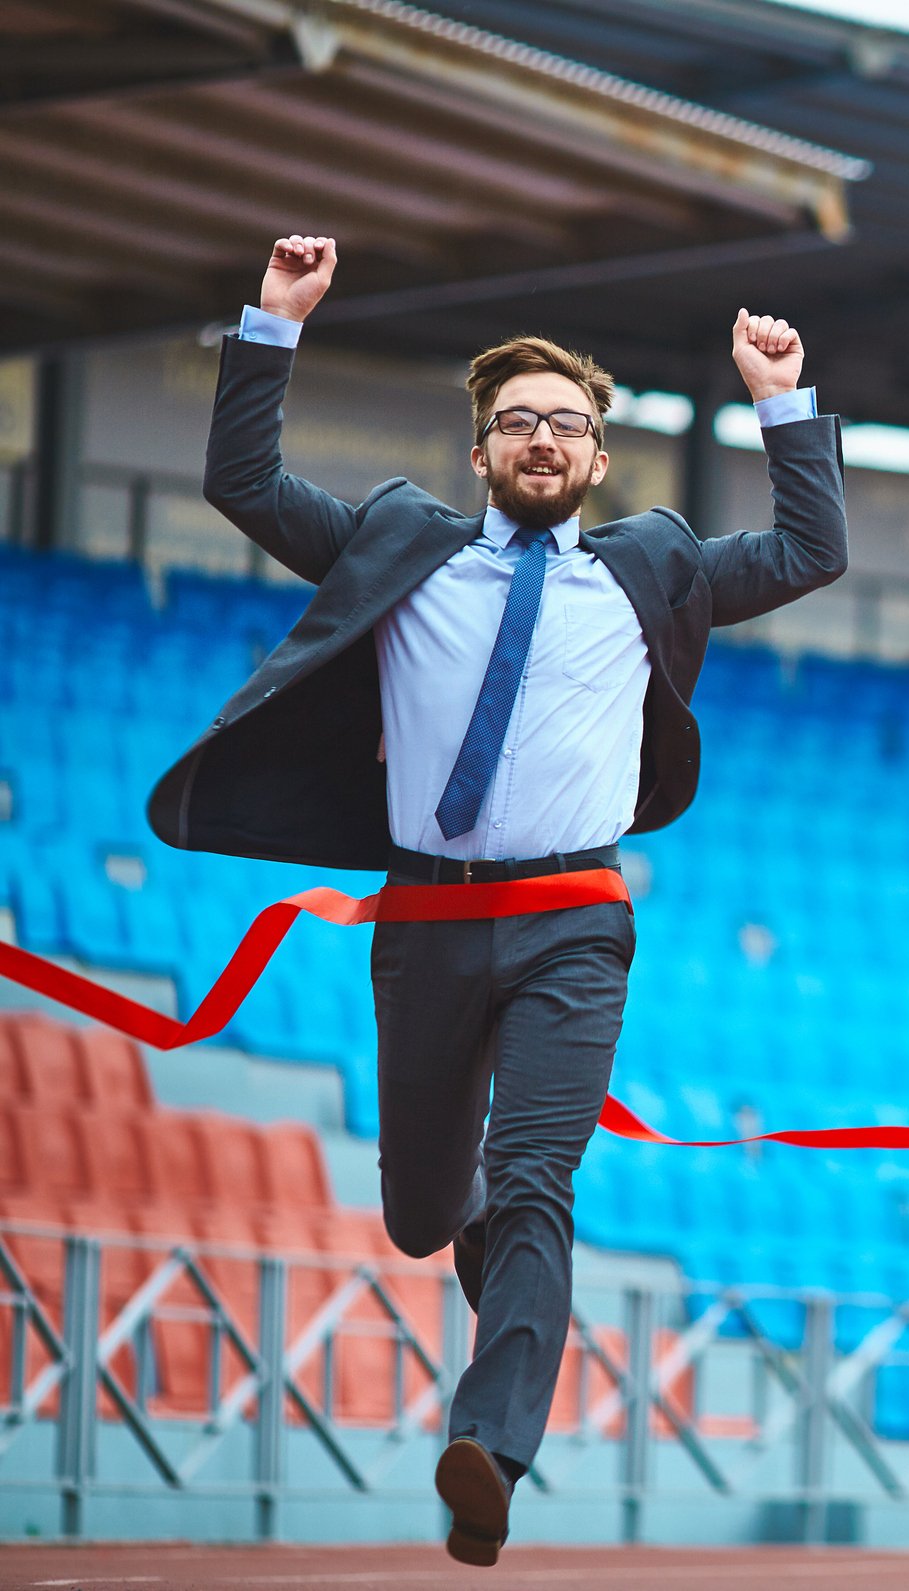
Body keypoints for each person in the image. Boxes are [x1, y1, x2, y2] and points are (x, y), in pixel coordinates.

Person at [147, 235, 846, 1566]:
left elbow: (812, 547)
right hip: (422, 921)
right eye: (516, 422)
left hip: (572, 924)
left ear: (596, 459)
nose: (541, 440)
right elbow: (239, 477)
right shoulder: (394, 545)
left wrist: (779, 401)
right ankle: (464, 1257)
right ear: (479, 453)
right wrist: (274, 320)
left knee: (534, 1177)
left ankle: (491, 1447)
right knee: (426, 1210)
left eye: (566, 425)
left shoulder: (655, 572)